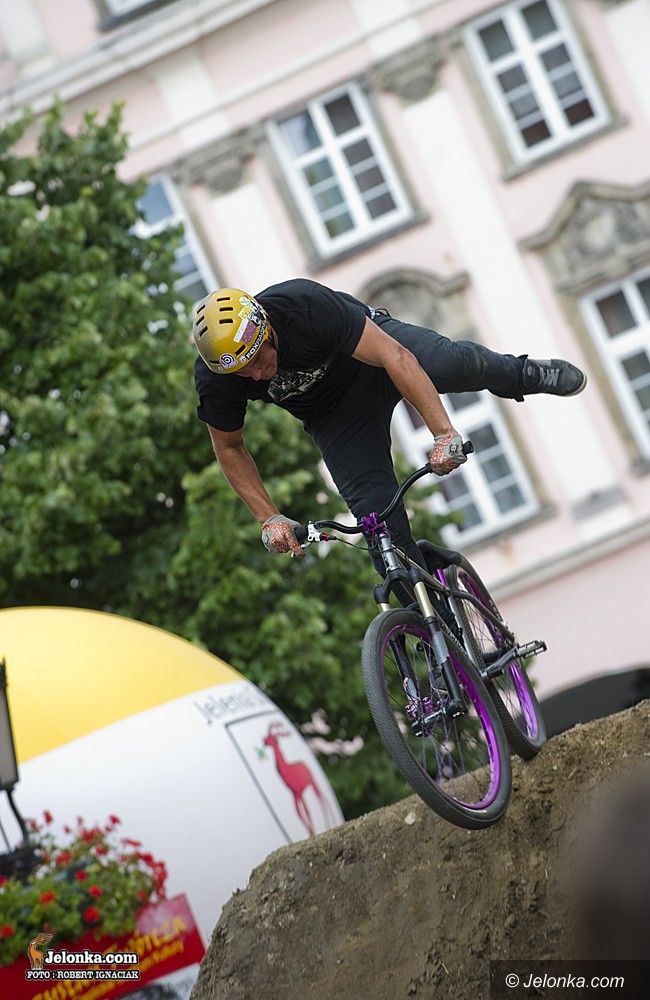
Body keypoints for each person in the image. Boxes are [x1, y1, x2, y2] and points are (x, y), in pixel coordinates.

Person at [192, 279, 586, 580]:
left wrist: (443, 434)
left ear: (266, 328)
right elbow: (229, 447)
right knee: (381, 532)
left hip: (380, 357)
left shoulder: (303, 306)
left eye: (257, 359)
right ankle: (442, 638)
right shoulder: (217, 378)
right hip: (334, 415)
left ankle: (522, 373)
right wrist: (268, 518)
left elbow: (395, 355)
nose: (256, 375)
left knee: (450, 364)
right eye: (243, 372)